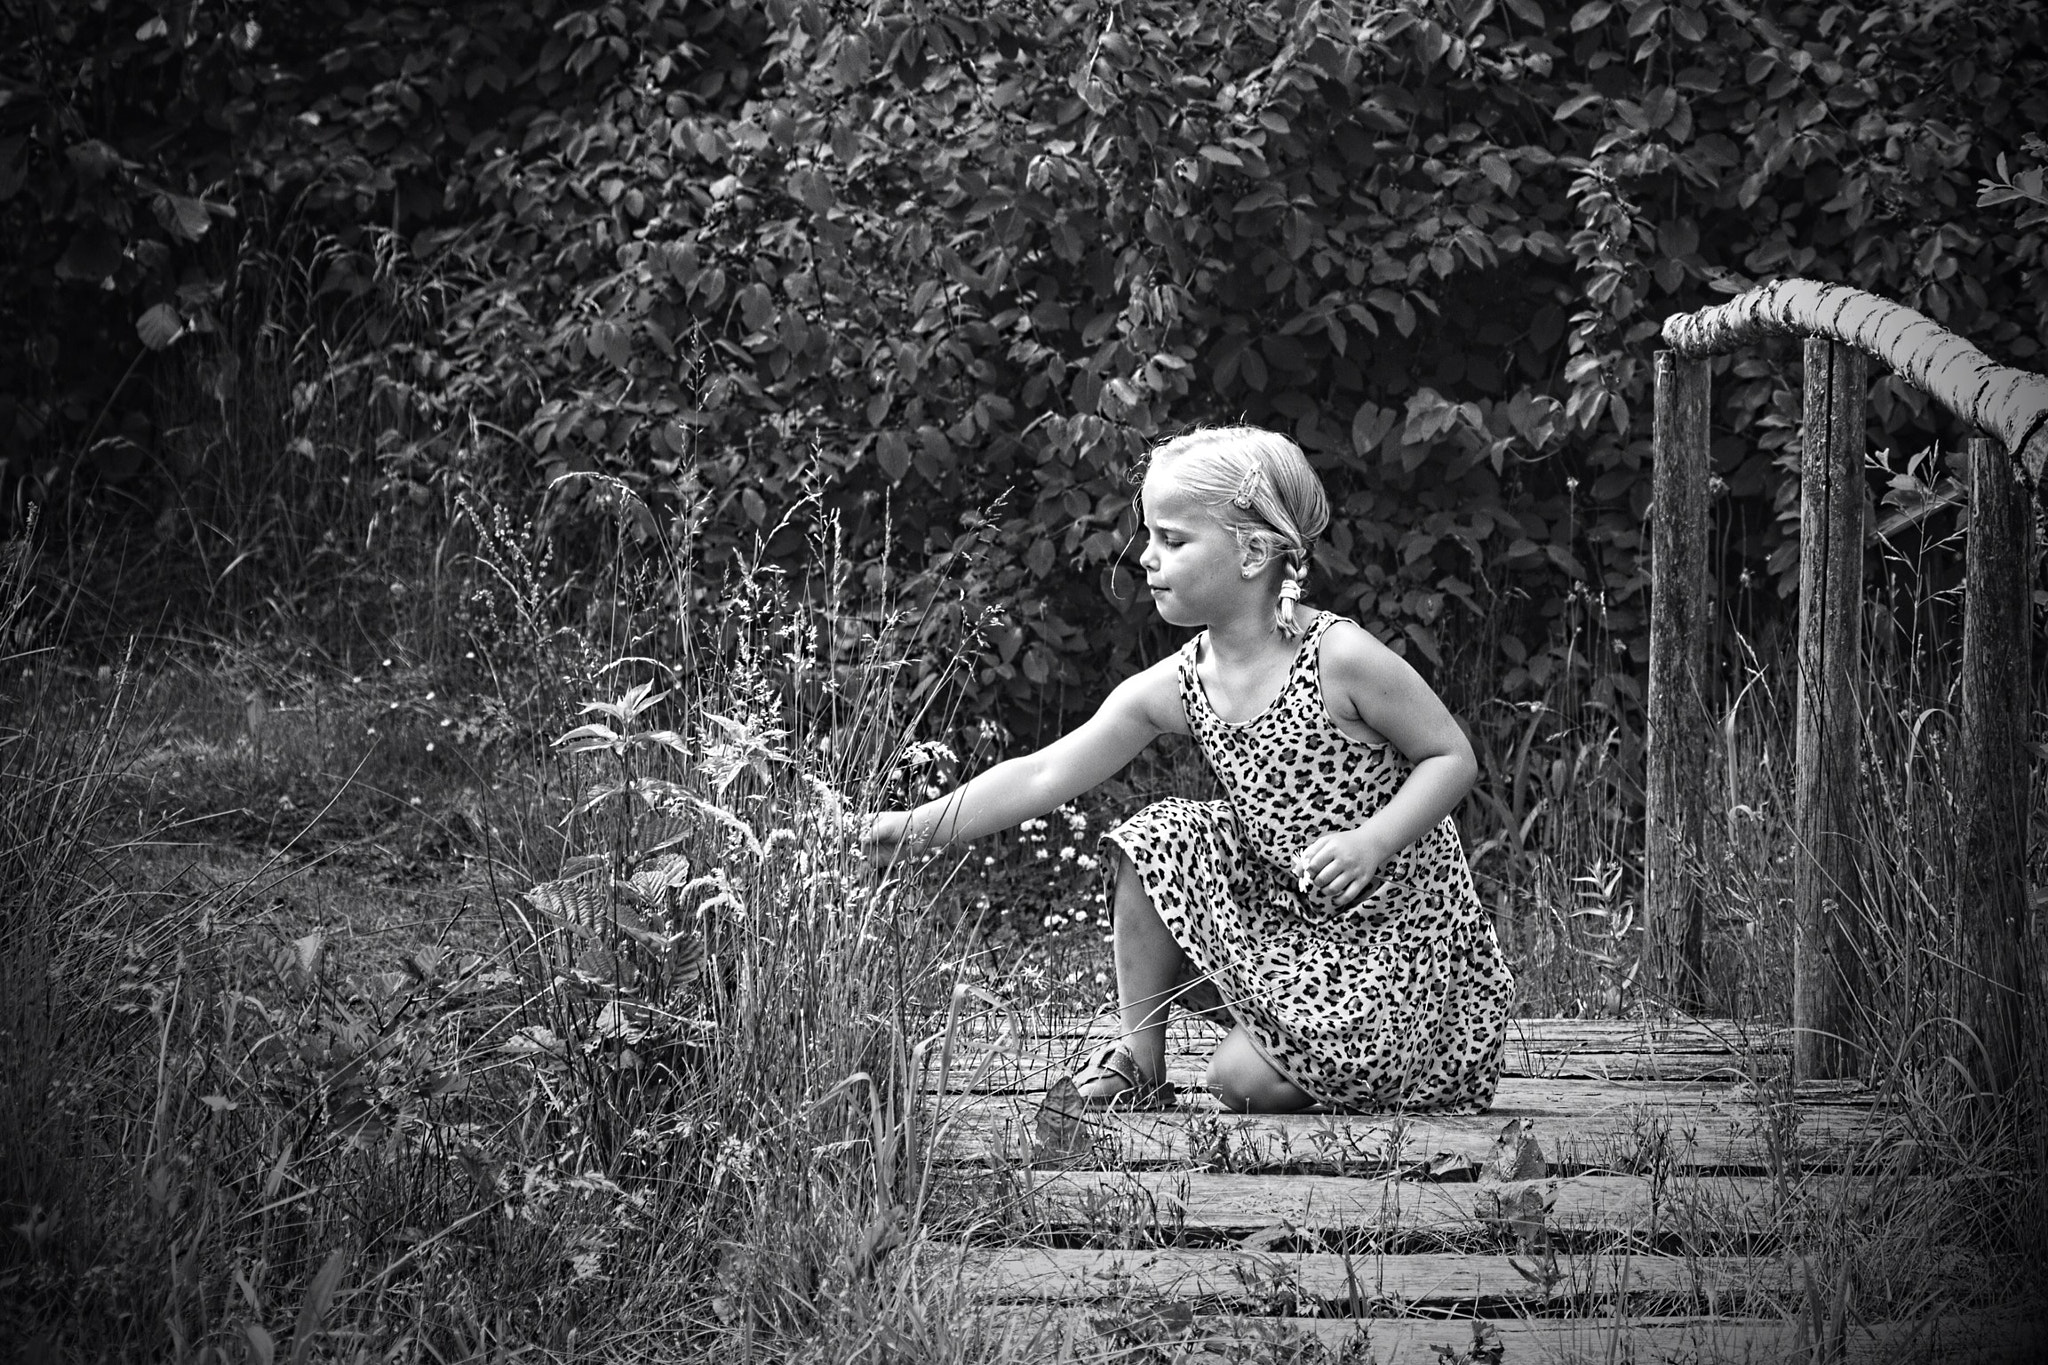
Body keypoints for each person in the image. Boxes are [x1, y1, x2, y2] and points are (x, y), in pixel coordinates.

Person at [862, 426, 1514, 1114]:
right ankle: (1141, 1054)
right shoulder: (1186, 679)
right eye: (1149, 536)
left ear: (1253, 551)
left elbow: (1453, 757)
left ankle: (1315, 1045)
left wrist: (1370, 840)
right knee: (1159, 833)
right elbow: (1045, 771)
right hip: (1289, 922)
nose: (1147, 557)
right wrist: (912, 827)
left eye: (1173, 540)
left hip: (1397, 946)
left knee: (1237, 1081)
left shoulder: (1339, 657)